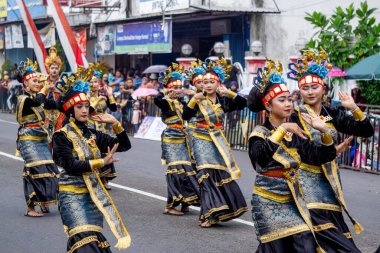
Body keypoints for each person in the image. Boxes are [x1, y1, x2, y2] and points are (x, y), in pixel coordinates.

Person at [248, 59, 345, 252]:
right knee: (275, 247)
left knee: (305, 242)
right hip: (268, 200)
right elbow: (261, 158)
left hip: (293, 199)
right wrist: (282, 129)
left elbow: (318, 156)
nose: (288, 104)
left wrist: (324, 132)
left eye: (290, 99)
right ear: (268, 106)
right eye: (281, 100)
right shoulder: (259, 132)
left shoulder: (295, 132)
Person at [287, 49, 374, 252]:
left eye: (314, 87)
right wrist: (328, 141)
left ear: (323, 89)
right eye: (305, 88)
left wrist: (353, 108)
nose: (310, 92)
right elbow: (306, 152)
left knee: (332, 232)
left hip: (329, 182)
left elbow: (366, 131)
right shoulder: (295, 116)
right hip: (305, 181)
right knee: (320, 235)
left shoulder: (331, 113)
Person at [53, 68, 132, 252]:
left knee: (94, 241)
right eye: (79, 107)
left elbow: (124, 146)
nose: (83, 110)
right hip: (71, 196)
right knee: (84, 240)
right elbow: (70, 165)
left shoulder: (93, 134)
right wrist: (101, 163)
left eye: (86, 106)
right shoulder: (61, 136)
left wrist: (115, 124)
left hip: (92, 196)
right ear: (71, 110)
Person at [182, 58, 248, 228]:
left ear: (218, 83)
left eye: (212, 82)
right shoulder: (198, 99)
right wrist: (192, 101)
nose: (208, 85)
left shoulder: (223, 101)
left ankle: (219, 210)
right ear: (201, 84)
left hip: (218, 140)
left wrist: (229, 93)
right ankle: (209, 213)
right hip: (200, 138)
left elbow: (244, 103)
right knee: (205, 175)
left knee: (218, 173)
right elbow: (185, 116)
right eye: (205, 82)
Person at [15, 59, 60, 217]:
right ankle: (30, 208)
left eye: (38, 81)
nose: (37, 83)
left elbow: (54, 105)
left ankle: (44, 201)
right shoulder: (24, 99)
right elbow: (36, 101)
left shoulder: (38, 98)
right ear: (26, 84)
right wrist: (45, 90)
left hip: (41, 139)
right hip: (28, 140)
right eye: (35, 81)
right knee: (34, 171)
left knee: (49, 169)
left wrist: (60, 92)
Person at [155, 64, 200, 215]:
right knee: (175, 170)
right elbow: (157, 100)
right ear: (169, 88)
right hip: (170, 138)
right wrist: (165, 92)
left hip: (182, 137)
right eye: (175, 87)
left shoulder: (182, 102)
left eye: (180, 87)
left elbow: (191, 111)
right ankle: (170, 206)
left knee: (187, 169)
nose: (179, 90)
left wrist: (196, 96)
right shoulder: (165, 101)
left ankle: (186, 201)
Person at [88, 66, 118, 189]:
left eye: (95, 81)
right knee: (94, 153)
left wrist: (110, 95)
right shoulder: (86, 95)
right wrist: (99, 98)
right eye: (91, 81)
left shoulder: (102, 95)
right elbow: (90, 109)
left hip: (103, 128)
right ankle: (95, 179)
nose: (94, 84)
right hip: (91, 126)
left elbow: (114, 108)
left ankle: (104, 179)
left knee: (106, 151)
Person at [44, 46, 66, 132]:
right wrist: (46, 90)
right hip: (47, 113)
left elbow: (66, 97)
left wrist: (57, 91)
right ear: (48, 69)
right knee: (47, 137)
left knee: (59, 135)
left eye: (56, 68)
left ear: (59, 69)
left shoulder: (63, 83)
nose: (54, 70)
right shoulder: (44, 82)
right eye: (52, 68)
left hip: (59, 113)